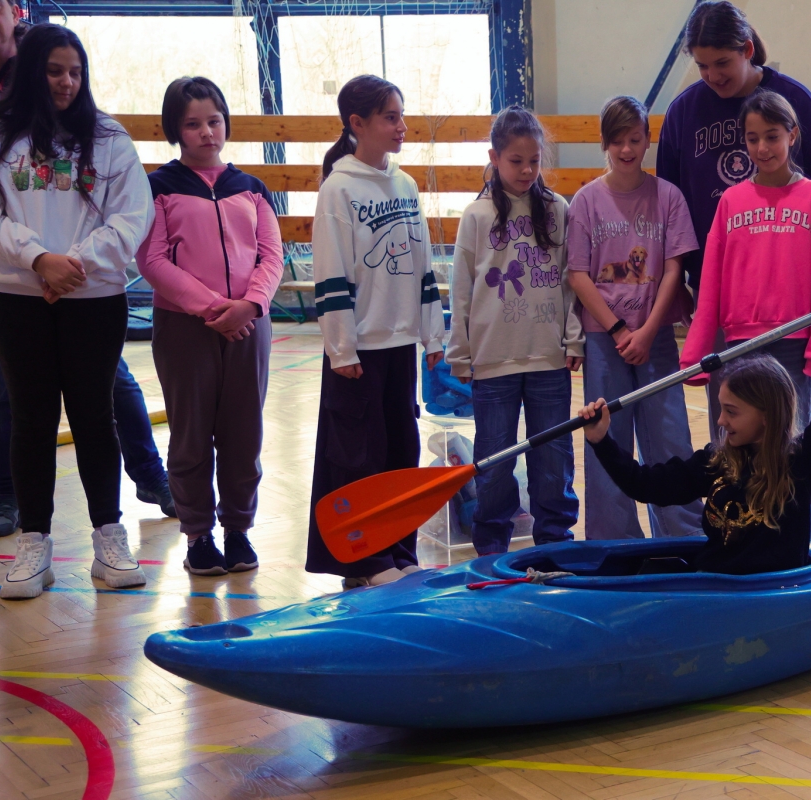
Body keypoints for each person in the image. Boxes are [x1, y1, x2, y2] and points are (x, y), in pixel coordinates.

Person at [0, 2, 173, 539]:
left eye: (76, 72)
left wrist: (74, 264)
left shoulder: (109, 137)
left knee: (95, 414)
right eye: (55, 71)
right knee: (30, 418)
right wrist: (38, 259)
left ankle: (110, 534)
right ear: (32, 72)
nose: (66, 82)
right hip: (14, 296)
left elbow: (133, 215)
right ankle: (33, 539)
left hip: (91, 295)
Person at [579, 281, 811, 575]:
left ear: (767, 415)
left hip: (774, 594)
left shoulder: (802, 462)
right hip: (712, 588)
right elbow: (646, 486)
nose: (720, 421)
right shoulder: (716, 462)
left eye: (731, 412)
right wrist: (601, 441)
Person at [656, 0, 811, 437]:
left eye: (722, 63)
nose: (712, 75)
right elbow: (669, 210)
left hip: (792, 307)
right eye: (702, 66)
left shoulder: (798, 104)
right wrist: (678, 283)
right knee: (731, 426)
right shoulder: (683, 113)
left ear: (746, 49)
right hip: (718, 297)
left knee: (788, 428)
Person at [137, 76, 283, 575]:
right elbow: (152, 260)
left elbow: (272, 255)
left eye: (214, 121)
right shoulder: (158, 188)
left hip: (249, 326)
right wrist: (214, 308)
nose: (206, 132)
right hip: (184, 328)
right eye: (193, 124)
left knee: (244, 434)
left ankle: (238, 529)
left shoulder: (252, 188)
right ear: (174, 130)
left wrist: (251, 304)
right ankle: (198, 535)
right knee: (191, 435)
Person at [304, 75, 446, 588]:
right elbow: (331, 274)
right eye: (390, 117)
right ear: (357, 123)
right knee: (356, 458)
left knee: (400, 453)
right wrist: (341, 347)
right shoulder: (338, 189)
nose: (401, 126)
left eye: (401, 116)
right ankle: (362, 561)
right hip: (359, 350)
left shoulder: (405, 185)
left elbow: (424, 266)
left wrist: (433, 334)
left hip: (400, 344)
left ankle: (400, 550)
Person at [447, 106, 583, 555]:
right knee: (494, 463)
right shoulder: (476, 215)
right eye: (516, 161)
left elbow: (570, 280)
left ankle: (555, 544)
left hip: (548, 359)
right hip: (492, 362)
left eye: (534, 161)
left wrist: (574, 337)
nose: (526, 170)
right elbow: (461, 290)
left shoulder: (557, 209)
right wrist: (459, 353)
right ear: (494, 157)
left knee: (553, 459)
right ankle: (491, 549)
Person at [565, 96, 701, 540]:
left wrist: (646, 330)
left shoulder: (668, 197)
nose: (626, 149)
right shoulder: (586, 201)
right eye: (617, 141)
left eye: (635, 139)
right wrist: (620, 329)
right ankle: (613, 541)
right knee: (607, 438)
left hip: (655, 335)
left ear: (647, 140)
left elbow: (674, 270)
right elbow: (578, 275)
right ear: (604, 143)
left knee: (669, 438)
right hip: (605, 339)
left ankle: (683, 537)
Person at [680, 91, 811, 427]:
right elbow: (711, 282)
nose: (762, 148)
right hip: (739, 346)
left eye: (772, 137)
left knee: (790, 443)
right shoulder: (731, 200)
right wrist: (696, 351)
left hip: (795, 344)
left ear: (792, 135)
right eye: (753, 139)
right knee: (740, 441)